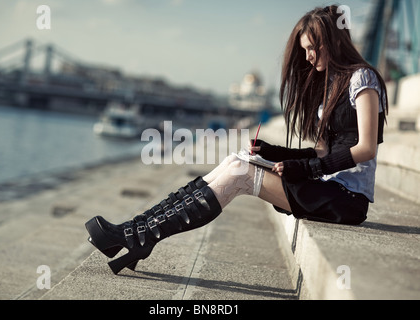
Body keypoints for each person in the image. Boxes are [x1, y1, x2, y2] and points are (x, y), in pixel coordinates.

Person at [85, 5, 388, 274]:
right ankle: (136, 229)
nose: (308, 57)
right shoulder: (330, 86)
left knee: (240, 175)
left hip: (346, 200)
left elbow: (366, 148)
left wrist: (305, 170)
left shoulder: (362, 79)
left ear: (333, 41)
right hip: (326, 188)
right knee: (235, 161)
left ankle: (137, 237)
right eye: (305, 49)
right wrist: (274, 152)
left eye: (313, 48)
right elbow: (322, 151)